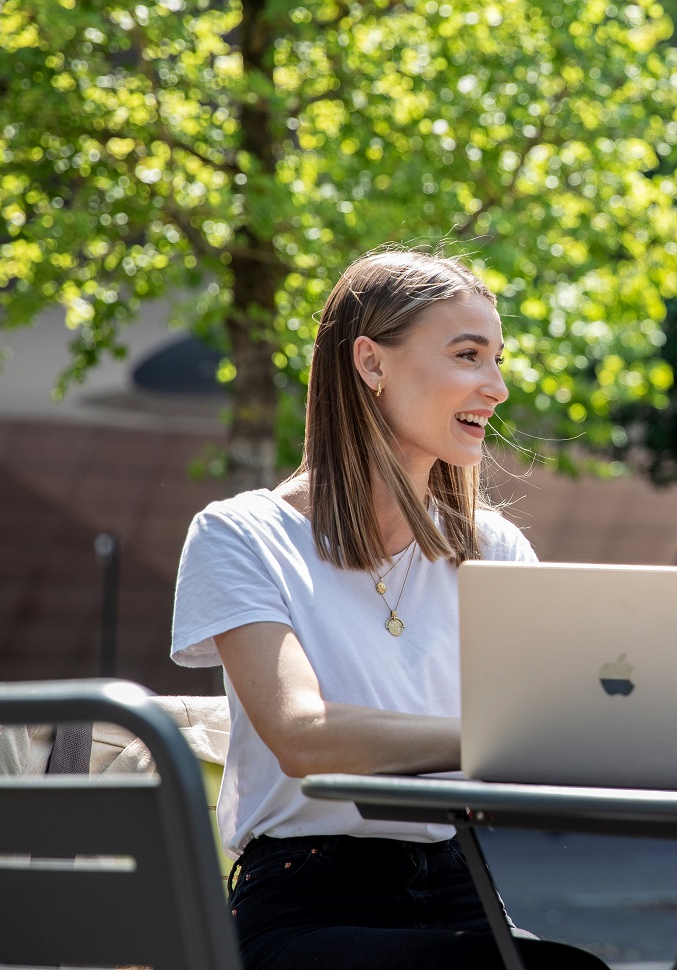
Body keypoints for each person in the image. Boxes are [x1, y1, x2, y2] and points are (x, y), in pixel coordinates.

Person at [171, 249, 608, 970]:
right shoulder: (241, 535)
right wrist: (496, 739)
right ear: (371, 364)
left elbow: (547, 733)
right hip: (305, 901)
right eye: (469, 355)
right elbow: (302, 734)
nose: (496, 387)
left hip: (460, 882)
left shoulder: (494, 549)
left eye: (498, 359)